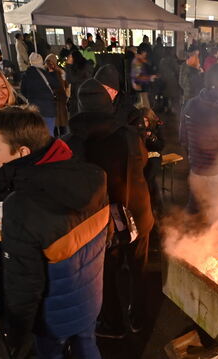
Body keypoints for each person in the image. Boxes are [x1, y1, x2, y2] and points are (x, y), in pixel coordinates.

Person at [0, 105, 109, 358]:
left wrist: (16, 333)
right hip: (90, 300)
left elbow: (23, 285)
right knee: (87, 346)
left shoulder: (21, 206)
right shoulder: (94, 176)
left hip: (52, 318)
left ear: (22, 152)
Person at [64, 78, 153, 340]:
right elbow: (143, 163)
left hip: (100, 222)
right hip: (136, 213)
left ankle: (113, 323)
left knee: (105, 273)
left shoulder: (72, 142)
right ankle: (138, 317)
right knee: (138, 269)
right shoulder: (128, 134)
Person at [180, 64, 218, 225]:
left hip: (196, 169)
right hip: (217, 172)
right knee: (215, 216)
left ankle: (181, 241)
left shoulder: (190, 105)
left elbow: (183, 138)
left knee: (193, 208)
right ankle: (208, 246)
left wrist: (195, 155)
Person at [21, 53, 59, 135]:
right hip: (48, 109)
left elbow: (23, 91)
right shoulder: (45, 73)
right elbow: (56, 84)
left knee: (36, 135)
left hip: (34, 110)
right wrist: (53, 73)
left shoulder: (25, 75)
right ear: (41, 61)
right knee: (49, 134)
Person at [138, 107, 165, 215]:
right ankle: (153, 207)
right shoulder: (138, 128)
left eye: (146, 120)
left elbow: (161, 146)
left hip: (154, 155)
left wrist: (152, 138)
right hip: (141, 156)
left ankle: (155, 207)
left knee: (149, 177)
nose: (144, 123)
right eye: (142, 121)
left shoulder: (157, 127)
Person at [45, 54, 69, 136]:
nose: (48, 65)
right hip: (53, 101)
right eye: (47, 62)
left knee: (61, 125)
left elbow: (65, 85)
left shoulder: (60, 72)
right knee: (55, 125)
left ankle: (63, 141)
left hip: (59, 100)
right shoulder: (45, 73)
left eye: (50, 62)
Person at [65, 50, 93, 117]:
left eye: (70, 57)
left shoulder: (82, 68)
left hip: (78, 96)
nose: (68, 59)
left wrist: (68, 65)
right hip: (83, 95)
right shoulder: (85, 65)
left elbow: (70, 79)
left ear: (74, 58)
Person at [131, 44, 156, 109]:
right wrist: (149, 78)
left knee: (144, 107)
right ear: (142, 52)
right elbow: (137, 77)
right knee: (144, 107)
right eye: (146, 52)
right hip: (140, 89)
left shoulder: (141, 60)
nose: (146, 54)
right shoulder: (137, 61)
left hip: (142, 88)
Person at [159, 47, 181, 114]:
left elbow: (160, 70)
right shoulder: (172, 60)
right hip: (172, 79)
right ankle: (172, 108)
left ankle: (165, 108)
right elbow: (177, 70)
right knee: (173, 95)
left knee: (165, 94)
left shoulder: (162, 60)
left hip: (163, 79)